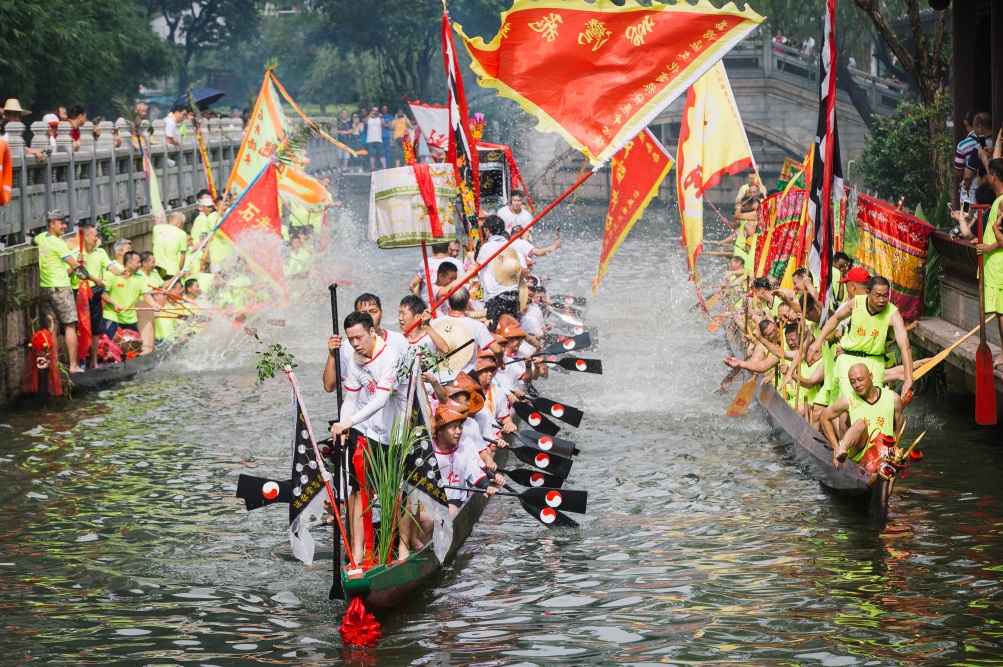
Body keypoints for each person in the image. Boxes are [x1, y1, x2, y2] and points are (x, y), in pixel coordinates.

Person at [328, 311, 404, 564]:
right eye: (350, 339)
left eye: (359, 337)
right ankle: (358, 555)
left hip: (397, 436)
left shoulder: (390, 357)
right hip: (371, 433)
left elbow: (381, 399)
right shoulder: (355, 359)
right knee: (358, 492)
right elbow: (350, 398)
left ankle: (401, 552)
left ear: (373, 332)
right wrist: (343, 427)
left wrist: (349, 422)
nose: (355, 343)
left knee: (395, 493)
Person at [808, 276, 914, 401]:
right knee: (851, 403)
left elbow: (905, 347)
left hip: (875, 362)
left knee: (872, 402)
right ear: (868, 293)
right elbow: (835, 319)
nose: (881, 300)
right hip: (848, 358)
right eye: (877, 295)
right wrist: (818, 341)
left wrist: (908, 378)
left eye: (885, 296)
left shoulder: (893, 313)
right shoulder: (855, 303)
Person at [820, 363, 903, 470]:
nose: (857, 385)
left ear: (871, 376)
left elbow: (899, 431)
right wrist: (835, 447)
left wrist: (895, 453)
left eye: (860, 379)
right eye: (852, 382)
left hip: (883, 453)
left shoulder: (894, 398)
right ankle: (842, 450)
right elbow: (824, 418)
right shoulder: (848, 400)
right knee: (860, 423)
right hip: (859, 452)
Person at [429, 404, 502, 516]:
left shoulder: (465, 450)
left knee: (450, 511)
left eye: (460, 427)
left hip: (454, 501)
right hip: (429, 500)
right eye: (454, 428)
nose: (459, 431)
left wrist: (487, 486)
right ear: (439, 430)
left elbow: (476, 474)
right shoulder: (427, 450)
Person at [35, 210, 83, 373]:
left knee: (52, 327)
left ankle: (54, 367)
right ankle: (73, 365)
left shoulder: (41, 238)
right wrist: (95, 279)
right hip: (61, 288)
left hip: (46, 288)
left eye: (64, 222)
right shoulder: (58, 244)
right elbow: (76, 268)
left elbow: (36, 240)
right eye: (61, 223)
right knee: (70, 325)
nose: (64, 226)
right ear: (51, 224)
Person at [70, 221, 124, 367]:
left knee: (95, 330)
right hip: (79, 294)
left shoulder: (101, 252)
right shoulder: (75, 254)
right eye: (95, 236)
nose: (97, 238)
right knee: (78, 329)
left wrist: (120, 272)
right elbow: (67, 274)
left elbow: (110, 266)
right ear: (86, 237)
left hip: (95, 293)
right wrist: (76, 263)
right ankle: (75, 362)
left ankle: (93, 363)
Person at [477, 216, 526, 326]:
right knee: (512, 330)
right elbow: (523, 270)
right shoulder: (511, 246)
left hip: (496, 296)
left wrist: (471, 257)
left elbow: (477, 268)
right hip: (513, 294)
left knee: (497, 332)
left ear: (487, 230)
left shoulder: (486, 248)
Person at [978, 157, 1003, 366]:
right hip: (993, 264)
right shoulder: (998, 199)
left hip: (998, 263)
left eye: (989, 174)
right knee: (999, 310)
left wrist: (989, 247)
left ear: (993, 177)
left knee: (1002, 311)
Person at [101, 250, 148, 339]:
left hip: (131, 319)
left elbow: (146, 295)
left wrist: (154, 305)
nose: (140, 265)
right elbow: (103, 294)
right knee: (112, 349)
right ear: (129, 263)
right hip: (112, 317)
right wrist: (114, 303)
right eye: (138, 262)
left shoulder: (140, 277)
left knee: (134, 348)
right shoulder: (111, 275)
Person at [135, 251, 164, 355]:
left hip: (151, 306)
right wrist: (157, 292)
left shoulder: (155, 273)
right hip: (140, 307)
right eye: (152, 262)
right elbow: (144, 292)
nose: (154, 264)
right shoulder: (137, 275)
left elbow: (161, 286)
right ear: (144, 263)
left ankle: (148, 351)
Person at [152, 211, 188, 279]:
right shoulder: (182, 234)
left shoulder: (156, 228)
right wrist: (180, 270)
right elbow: (182, 256)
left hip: (157, 269)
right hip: (173, 271)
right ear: (180, 222)